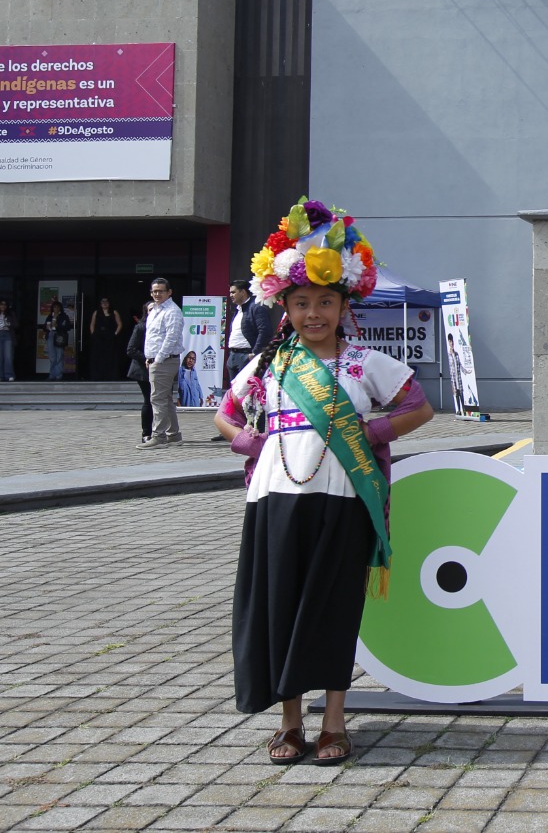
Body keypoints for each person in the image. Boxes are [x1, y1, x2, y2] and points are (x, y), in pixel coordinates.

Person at [215, 198, 432, 766]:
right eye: (303, 302)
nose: (315, 313)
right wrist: (256, 443)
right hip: (276, 500)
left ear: (343, 305)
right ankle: (291, 724)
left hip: (342, 500)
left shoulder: (364, 362)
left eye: (325, 302)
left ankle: (334, 722)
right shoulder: (270, 364)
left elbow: (418, 406)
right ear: (284, 306)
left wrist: (368, 430)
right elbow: (225, 415)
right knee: (280, 609)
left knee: (334, 611)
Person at [139, 278, 185, 448]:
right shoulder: (155, 310)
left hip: (165, 360)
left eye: (160, 291)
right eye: (154, 291)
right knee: (165, 398)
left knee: (157, 399)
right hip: (156, 360)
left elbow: (171, 338)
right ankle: (173, 434)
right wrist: (149, 357)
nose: (157, 294)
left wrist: (157, 359)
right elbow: (153, 337)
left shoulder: (172, 311)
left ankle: (158, 436)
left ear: (169, 292)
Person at [226, 279, 277, 384]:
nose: (230, 295)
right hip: (233, 356)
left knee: (245, 391)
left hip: (246, 355)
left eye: (233, 292)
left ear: (243, 292)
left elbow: (265, 331)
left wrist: (254, 352)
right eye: (230, 292)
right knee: (234, 393)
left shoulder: (256, 307)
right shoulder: (238, 309)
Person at [126, 305, 154, 446]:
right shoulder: (141, 327)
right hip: (143, 370)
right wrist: (146, 358)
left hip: (160, 368)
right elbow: (130, 350)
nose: (154, 311)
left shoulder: (164, 327)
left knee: (161, 401)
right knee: (148, 400)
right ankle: (146, 433)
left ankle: (162, 432)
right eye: (150, 309)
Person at [88, 297, 126, 380]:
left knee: (110, 356)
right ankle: (98, 375)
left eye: (106, 302)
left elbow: (119, 324)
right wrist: (93, 334)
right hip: (99, 336)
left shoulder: (114, 312)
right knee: (98, 356)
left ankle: (110, 375)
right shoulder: (96, 312)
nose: (105, 303)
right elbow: (92, 324)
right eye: (103, 302)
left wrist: (115, 333)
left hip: (110, 336)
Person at [41, 299, 73, 380]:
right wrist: (47, 327)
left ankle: (58, 374)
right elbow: (45, 326)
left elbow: (68, 327)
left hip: (60, 336)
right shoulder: (49, 316)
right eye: (54, 307)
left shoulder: (64, 316)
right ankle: (52, 374)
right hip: (51, 334)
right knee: (52, 356)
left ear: (60, 308)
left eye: (58, 307)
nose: (56, 309)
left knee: (59, 355)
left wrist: (58, 326)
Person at [0, 300, 17, 381]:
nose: (3, 306)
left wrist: (9, 324)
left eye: (5, 305)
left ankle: (9, 375)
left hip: (7, 334)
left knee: (8, 356)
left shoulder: (10, 314)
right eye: (1, 304)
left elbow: (16, 324)